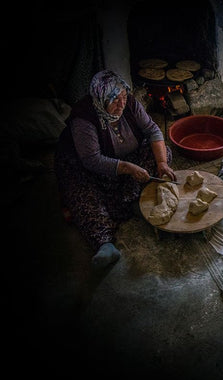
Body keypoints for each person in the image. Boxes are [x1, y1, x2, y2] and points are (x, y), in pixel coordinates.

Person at [54, 69, 176, 270]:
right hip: (92, 170)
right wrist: (127, 168)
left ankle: (135, 201)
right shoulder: (84, 119)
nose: (121, 103)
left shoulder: (130, 104)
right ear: (101, 101)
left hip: (126, 160)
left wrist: (162, 163)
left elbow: (153, 130)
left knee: (163, 153)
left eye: (123, 96)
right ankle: (105, 244)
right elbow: (92, 159)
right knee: (80, 191)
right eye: (114, 100)